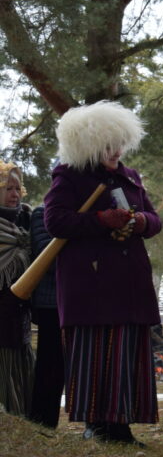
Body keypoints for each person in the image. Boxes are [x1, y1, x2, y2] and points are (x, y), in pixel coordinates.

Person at [44, 101, 162, 446]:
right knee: (94, 354)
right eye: (109, 144)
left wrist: (140, 222)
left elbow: (156, 220)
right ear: (90, 143)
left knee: (126, 352)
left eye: (120, 143)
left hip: (130, 281)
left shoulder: (131, 176)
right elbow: (55, 221)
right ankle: (96, 425)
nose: (117, 151)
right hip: (91, 283)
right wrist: (100, 220)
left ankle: (121, 425)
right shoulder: (69, 175)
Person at [0, 162, 34, 417]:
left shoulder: (28, 221)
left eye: (17, 188)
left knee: (21, 362)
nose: (14, 194)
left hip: (20, 312)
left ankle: (21, 416)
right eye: (7, 188)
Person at [27, 203, 65, 428]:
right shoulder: (41, 214)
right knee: (50, 366)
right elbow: (46, 254)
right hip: (51, 303)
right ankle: (42, 422)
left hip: (79, 302)